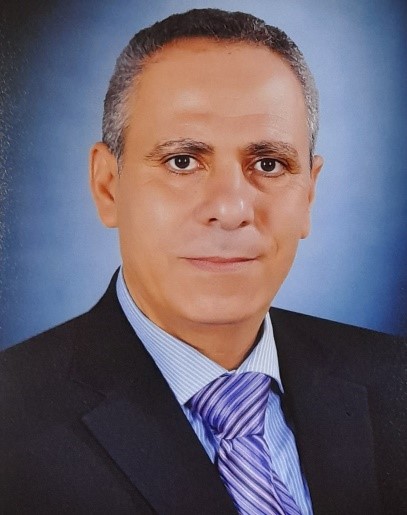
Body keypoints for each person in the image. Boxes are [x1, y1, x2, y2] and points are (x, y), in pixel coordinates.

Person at [0, 8, 405, 515]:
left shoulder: (395, 381)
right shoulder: (12, 425)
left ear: (309, 194)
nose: (231, 209)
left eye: (269, 164)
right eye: (183, 161)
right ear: (107, 186)